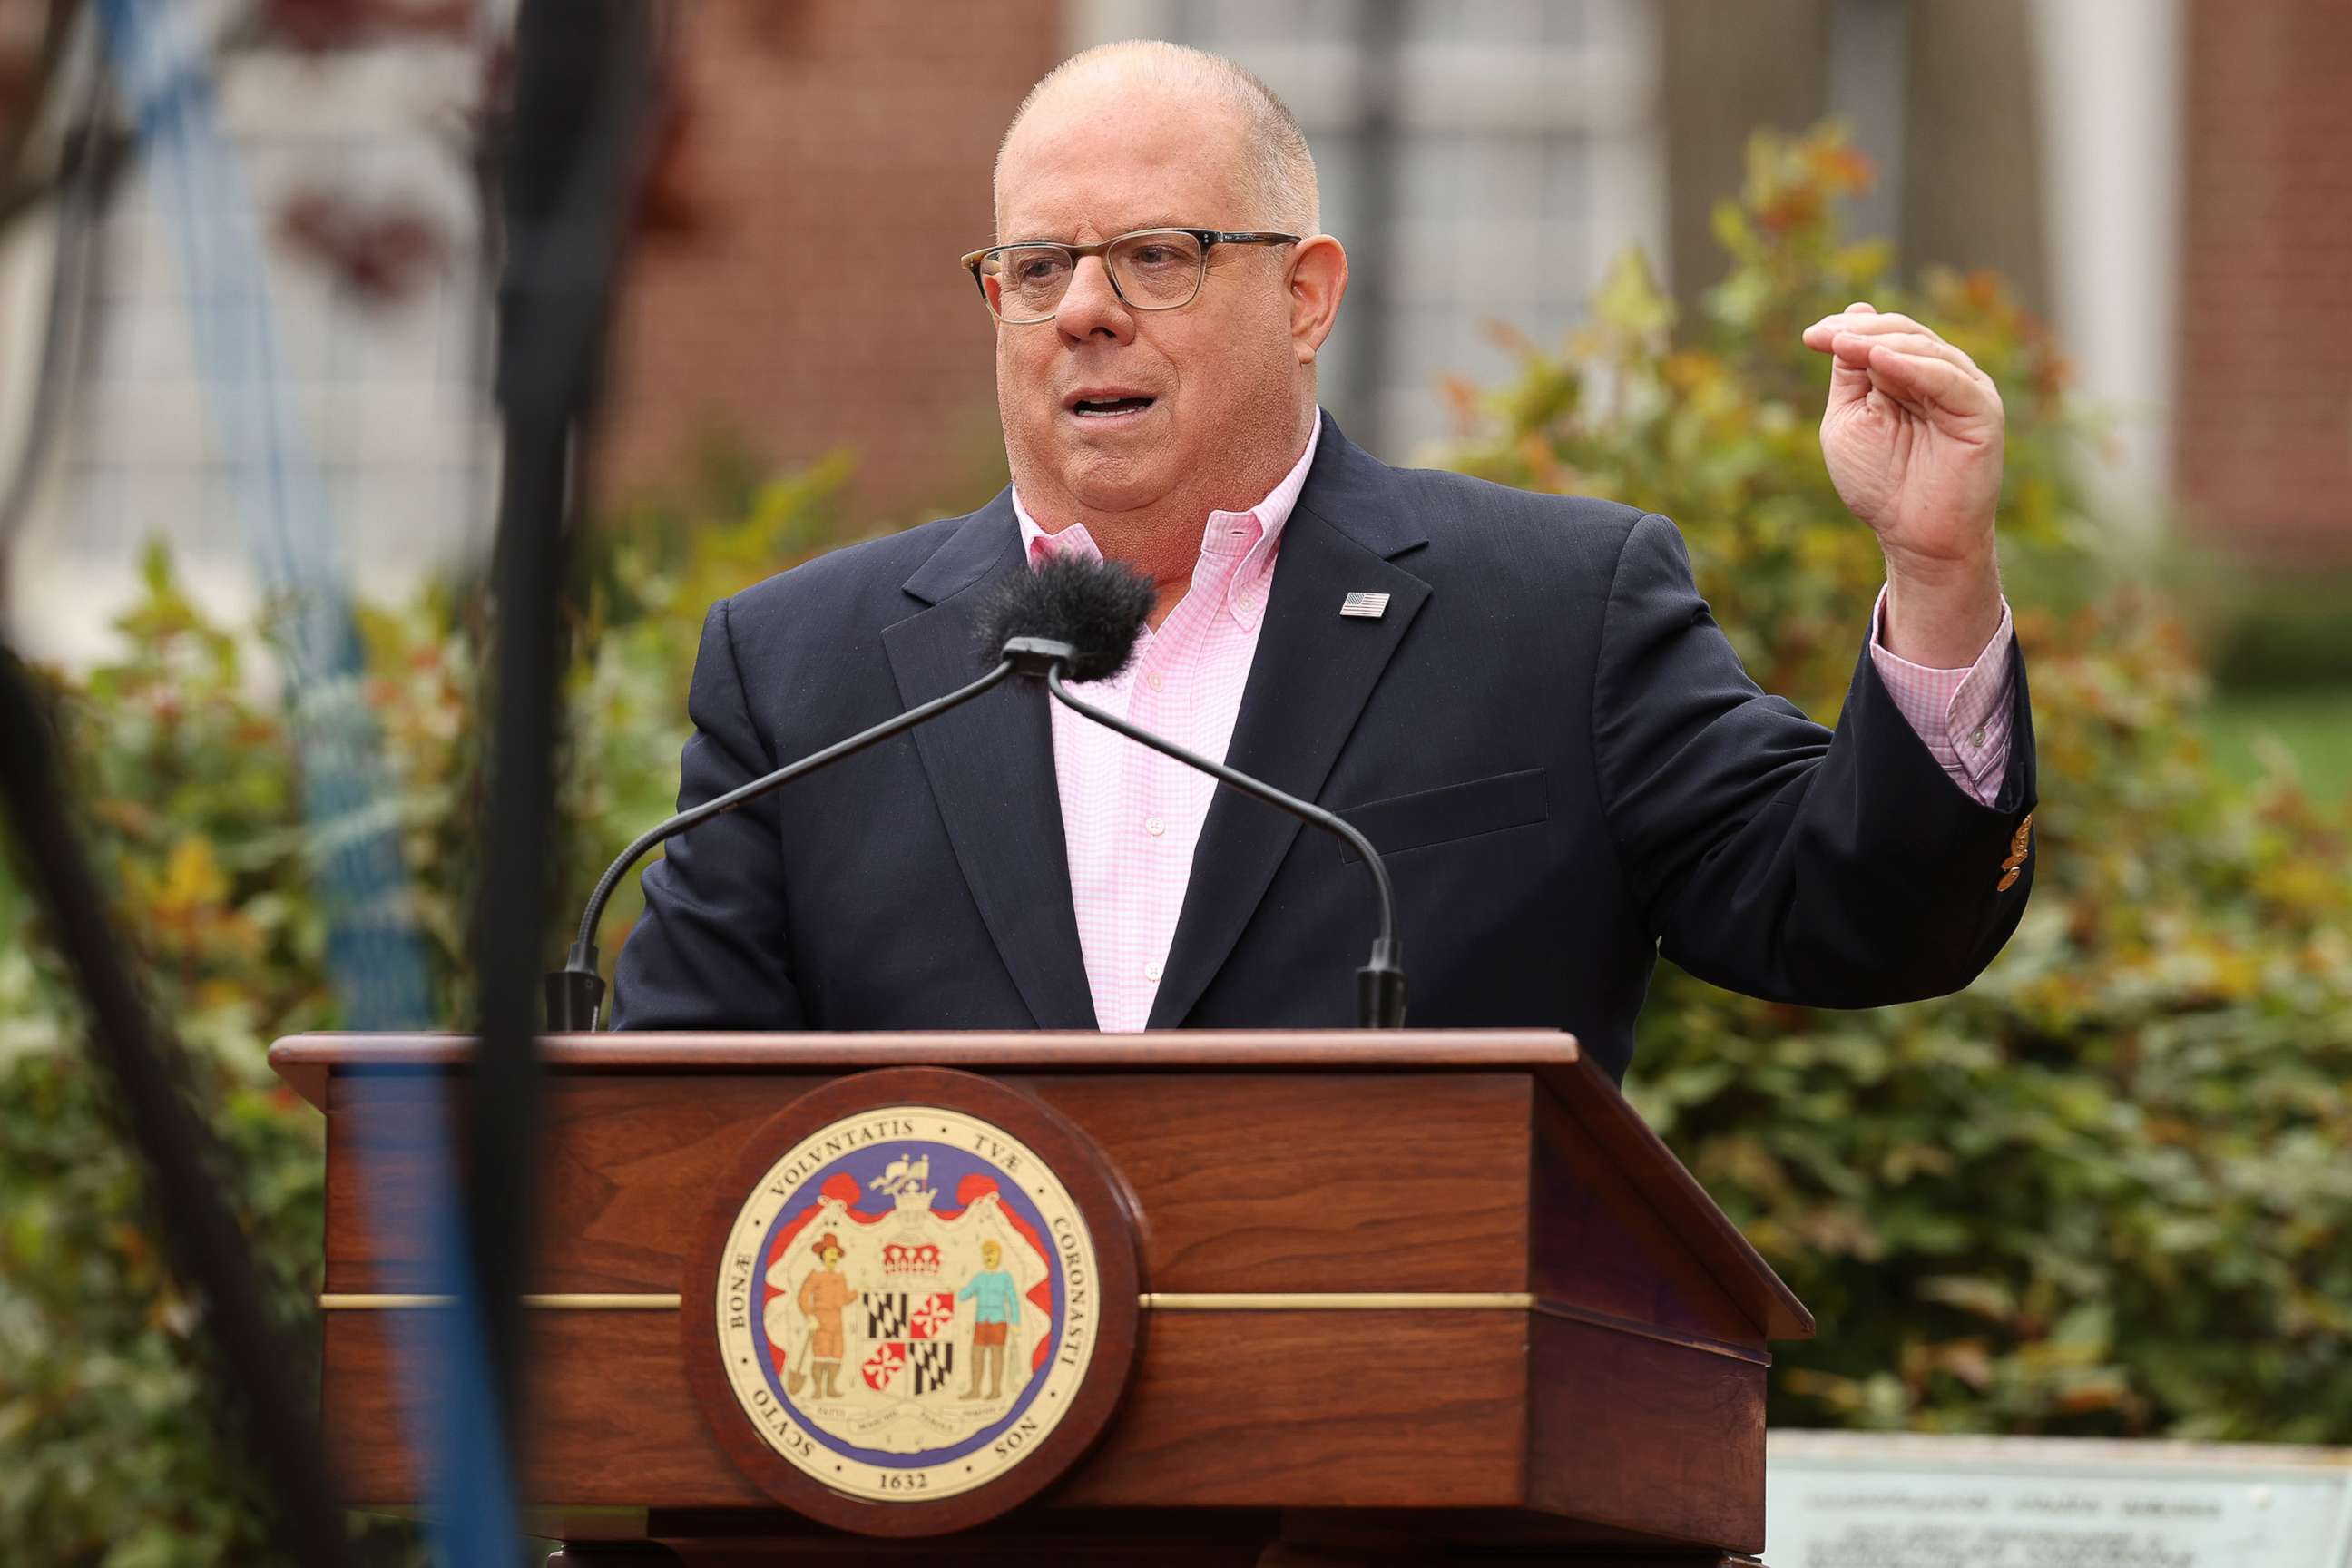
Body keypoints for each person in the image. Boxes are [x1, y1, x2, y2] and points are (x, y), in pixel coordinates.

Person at [611, 41, 2036, 1083]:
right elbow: (668, 1120)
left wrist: (1936, 574)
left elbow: (1860, 923)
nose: (1085, 313)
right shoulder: (809, 672)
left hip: (1405, 1464)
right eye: (1038, 269)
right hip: (938, 1470)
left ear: (1305, 295)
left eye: (1156, 257)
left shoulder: (1549, 614)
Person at [956, 1239, 1023, 1402]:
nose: (988, 1257)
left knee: (996, 1355)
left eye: (992, 1253)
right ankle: (975, 1390)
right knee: (976, 1354)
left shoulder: (1005, 1277)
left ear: (999, 1256)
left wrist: (1015, 1322)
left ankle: (995, 1390)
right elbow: (965, 1294)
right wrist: (953, 1289)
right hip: (981, 1321)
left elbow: (1013, 1300)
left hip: (998, 1321)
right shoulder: (979, 1277)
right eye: (985, 1254)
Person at [795, 1232, 854, 1402]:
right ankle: (818, 1389)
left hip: (837, 1320)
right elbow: (803, 1296)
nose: (833, 1257)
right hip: (821, 1319)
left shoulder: (840, 1275)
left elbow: (843, 1299)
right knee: (821, 1355)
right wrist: (809, 1316)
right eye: (830, 1253)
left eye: (835, 1254)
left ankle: (831, 1388)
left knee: (836, 1355)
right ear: (822, 1255)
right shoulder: (816, 1274)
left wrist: (857, 1292)